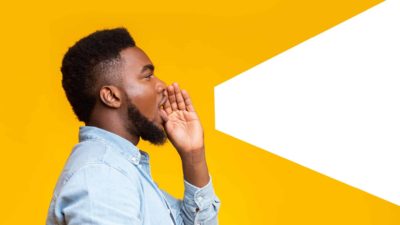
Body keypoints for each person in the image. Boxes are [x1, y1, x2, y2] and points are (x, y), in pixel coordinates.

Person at [46, 27, 221, 225]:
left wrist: (193, 156)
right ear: (111, 96)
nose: (162, 85)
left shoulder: (120, 171)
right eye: (147, 76)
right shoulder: (102, 175)